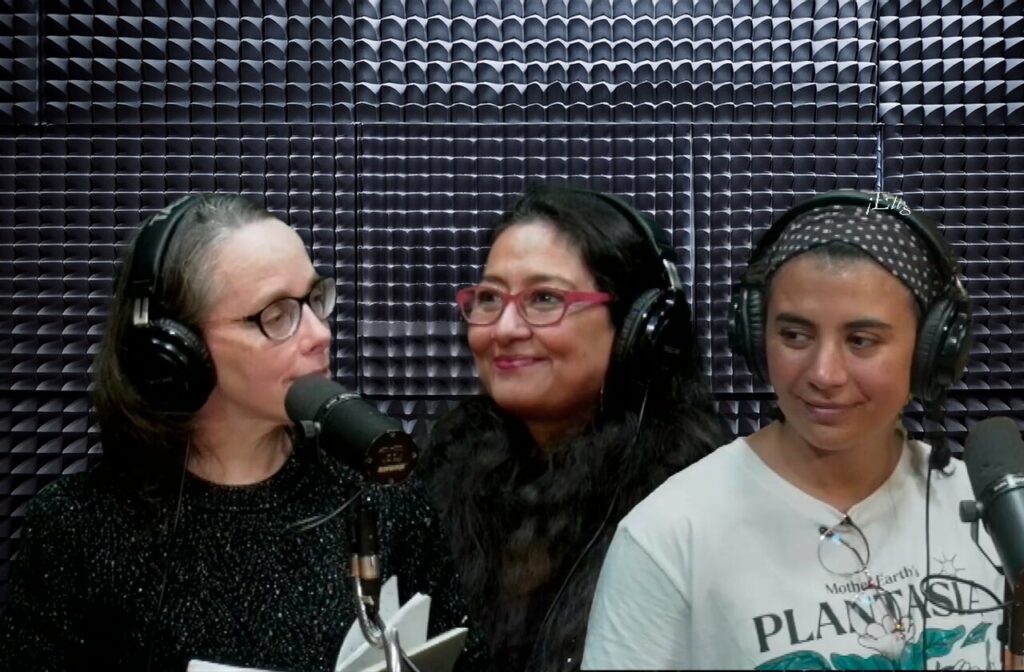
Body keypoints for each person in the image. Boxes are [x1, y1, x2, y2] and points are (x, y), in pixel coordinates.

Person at [0, 194, 489, 672]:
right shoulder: (75, 529)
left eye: (316, 299)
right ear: (177, 351)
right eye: (276, 315)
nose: (320, 332)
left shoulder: (380, 493)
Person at [582, 190, 1004, 669]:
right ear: (756, 339)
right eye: (795, 336)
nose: (824, 374)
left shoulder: (994, 512)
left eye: (862, 341)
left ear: (933, 352)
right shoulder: (670, 534)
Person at [416, 185, 727, 672]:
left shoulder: (698, 496)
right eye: (490, 298)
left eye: (544, 299)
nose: (505, 329)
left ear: (639, 328)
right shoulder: (451, 464)